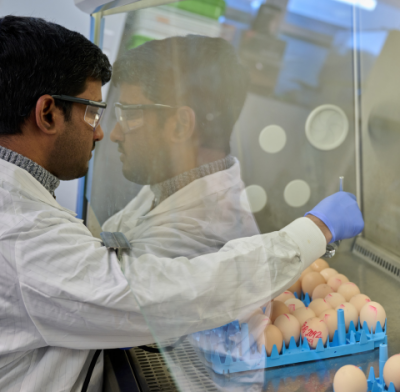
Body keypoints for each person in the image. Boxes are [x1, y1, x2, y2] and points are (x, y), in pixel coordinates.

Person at [0, 16, 363, 392]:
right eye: (94, 112)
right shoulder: (20, 234)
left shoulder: (21, 203)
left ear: (181, 126)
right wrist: (314, 230)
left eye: (127, 115)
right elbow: (167, 294)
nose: (106, 132)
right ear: (46, 114)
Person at [102, 36, 260, 258]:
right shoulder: (173, 177)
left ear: (179, 125)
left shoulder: (194, 238)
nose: (114, 134)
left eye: (129, 115)